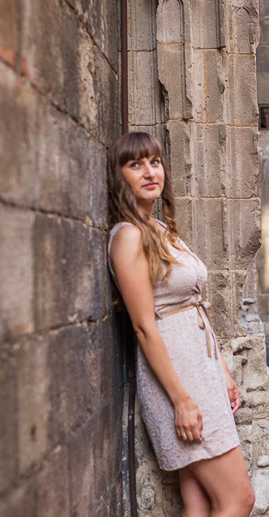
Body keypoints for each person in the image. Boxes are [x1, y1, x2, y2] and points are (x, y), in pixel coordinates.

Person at [107, 131, 254, 516]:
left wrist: (221, 369)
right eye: (135, 164)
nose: (149, 171)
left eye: (154, 162)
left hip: (201, 370)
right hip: (178, 377)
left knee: (200, 502)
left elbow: (194, 309)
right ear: (119, 176)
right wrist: (182, 400)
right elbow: (143, 327)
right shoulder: (128, 236)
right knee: (239, 499)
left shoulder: (161, 230)